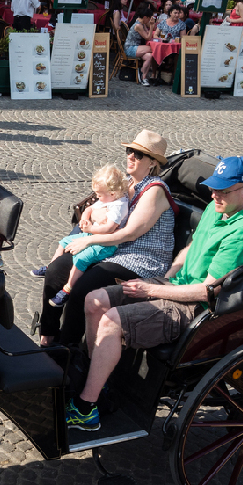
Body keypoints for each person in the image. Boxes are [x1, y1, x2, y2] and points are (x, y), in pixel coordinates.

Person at [66, 156, 243, 432]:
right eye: (213, 189)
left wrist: (151, 288)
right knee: (94, 300)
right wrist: (169, 276)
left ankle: (85, 408)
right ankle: (97, 382)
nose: (215, 195)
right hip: (175, 285)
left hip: (197, 307)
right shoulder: (216, 208)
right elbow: (192, 248)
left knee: (112, 319)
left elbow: (206, 291)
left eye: (223, 191)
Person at [38, 130, 177, 347]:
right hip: (112, 249)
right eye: (130, 151)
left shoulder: (155, 190)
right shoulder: (126, 184)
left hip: (139, 259)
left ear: (152, 163)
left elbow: (130, 233)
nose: (131, 156)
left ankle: (66, 352)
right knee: (57, 270)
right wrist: (84, 225)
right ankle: (47, 336)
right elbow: (99, 206)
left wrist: (88, 240)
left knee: (83, 288)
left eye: (138, 155)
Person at [32, 164, 130, 309]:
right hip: (91, 234)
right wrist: (85, 218)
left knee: (81, 258)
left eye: (100, 194)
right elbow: (90, 208)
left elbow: (109, 228)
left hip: (104, 244)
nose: (97, 197)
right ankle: (51, 266)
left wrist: (90, 228)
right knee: (64, 242)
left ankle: (68, 289)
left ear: (113, 193)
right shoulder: (106, 199)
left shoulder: (118, 206)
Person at [124, 4, 155, 86]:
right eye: (149, 18)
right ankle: (143, 71)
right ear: (145, 17)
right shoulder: (138, 25)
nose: (149, 20)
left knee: (149, 56)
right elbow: (148, 37)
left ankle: (143, 77)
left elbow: (147, 34)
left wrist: (149, 28)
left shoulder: (141, 22)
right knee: (153, 49)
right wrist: (152, 26)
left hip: (136, 47)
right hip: (130, 48)